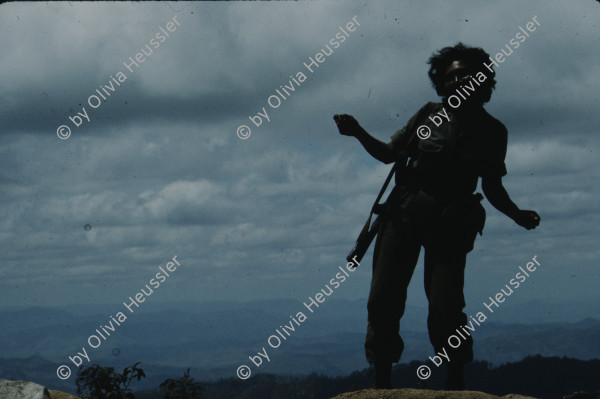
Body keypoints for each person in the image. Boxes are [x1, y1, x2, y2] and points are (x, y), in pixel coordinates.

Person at [333, 43, 540, 390]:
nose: (456, 81)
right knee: (383, 299)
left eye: (464, 74)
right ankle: (381, 382)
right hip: (404, 215)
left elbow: (492, 187)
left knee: (446, 308)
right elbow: (388, 154)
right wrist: (357, 133)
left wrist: (516, 214)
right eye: (449, 77)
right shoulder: (429, 115)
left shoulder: (493, 132)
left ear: (482, 80)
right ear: (440, 84)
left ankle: (455, 382)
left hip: (452, 222)